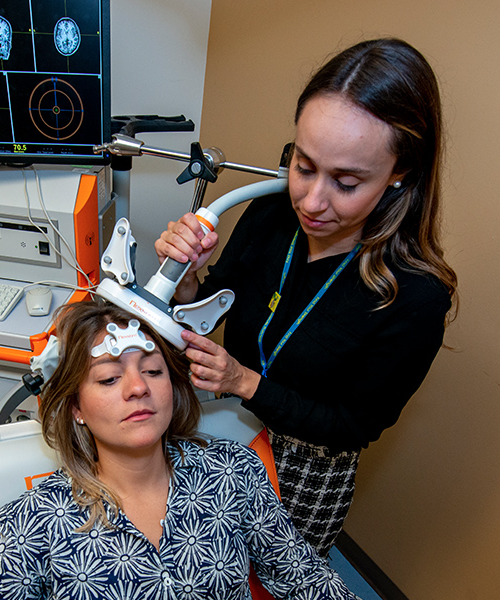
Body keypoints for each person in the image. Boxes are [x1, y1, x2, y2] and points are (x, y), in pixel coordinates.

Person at [154, 38, 458, 556]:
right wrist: (184, 279)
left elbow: (352, 427)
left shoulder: (416, 296)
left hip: (306, 472)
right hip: (225, 430)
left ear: (399, 175)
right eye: (303, 165)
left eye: (346, 181)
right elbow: (212, 304)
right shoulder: (273, 215)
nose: (312, 201)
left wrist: (246, 381)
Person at [0, 300, 358, 600]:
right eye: (108, 378)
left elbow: (303, 577)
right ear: (76, 408)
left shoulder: (231, 471)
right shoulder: (32, 522)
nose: (138, 387)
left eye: (153, 371)